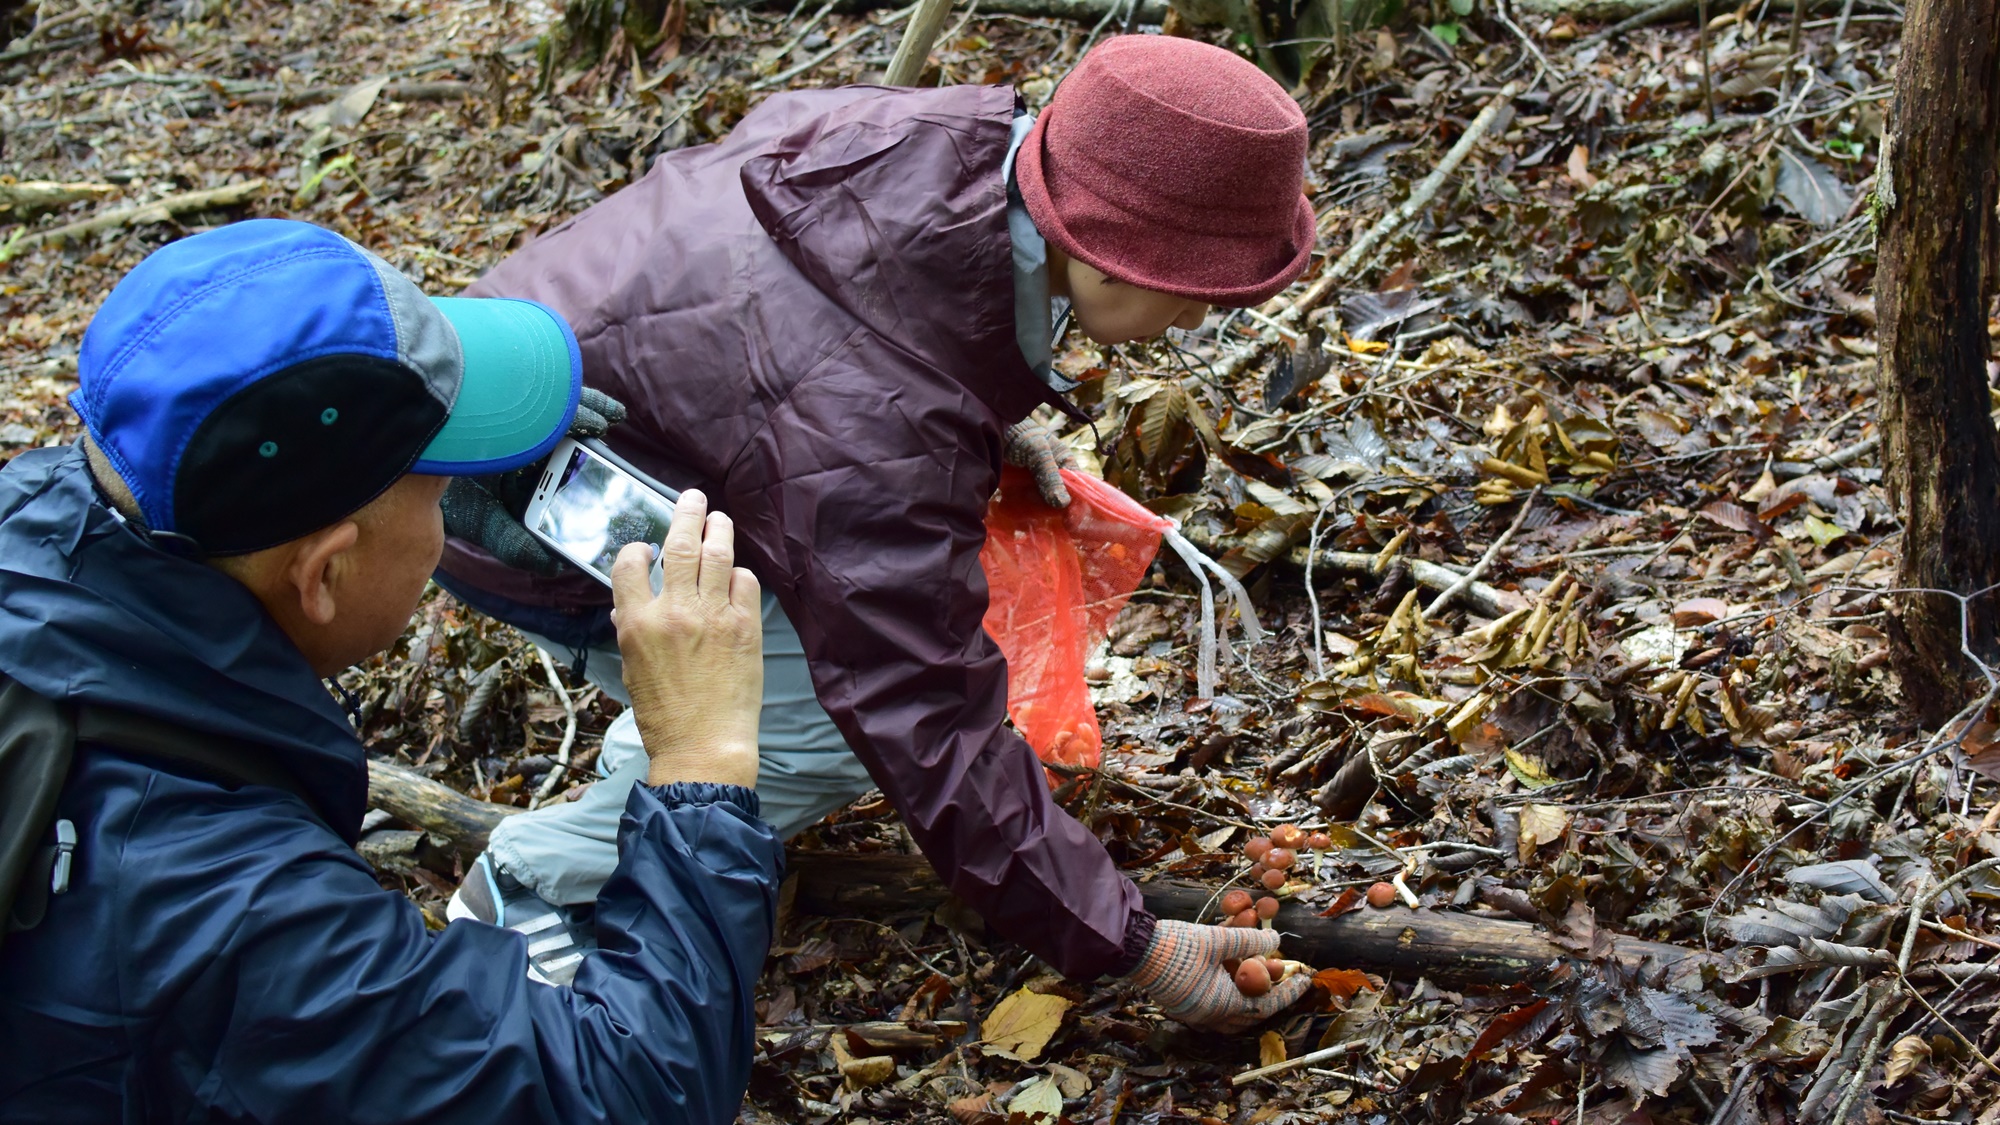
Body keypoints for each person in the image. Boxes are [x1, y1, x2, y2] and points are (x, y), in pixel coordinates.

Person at [437, 35, 1317, 1027]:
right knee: (827, 724)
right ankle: (546, 884)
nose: (1201, 320)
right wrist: (1127, 944)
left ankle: (662, 770)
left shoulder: (940, 139)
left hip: (539, 389)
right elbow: (919, 715)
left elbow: (820, 343)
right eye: (1202, 287)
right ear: (1105, 254)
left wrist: (992, 411)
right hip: (511, 499)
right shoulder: (882, 423)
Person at [0, 219, 781, 1123]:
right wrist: (699, 765)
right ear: (324, 573)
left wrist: (402, 499)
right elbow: (632, 1094)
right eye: (441, 482)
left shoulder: (56, 510)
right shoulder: (230, 919)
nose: (453, 501)